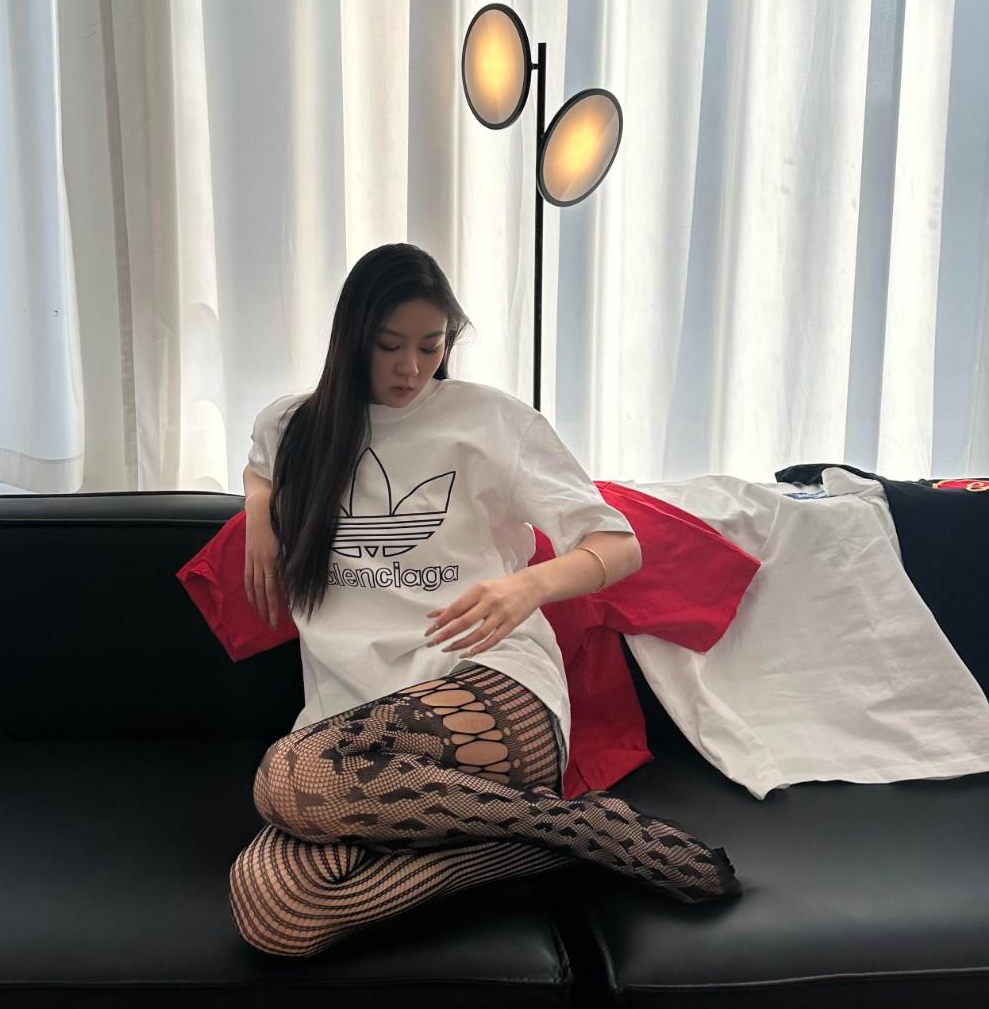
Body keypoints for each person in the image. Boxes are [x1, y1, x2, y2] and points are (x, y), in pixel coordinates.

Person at [229, 243, 741, 956]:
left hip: (492, 689)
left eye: (431, 346)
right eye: (389, 346)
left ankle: (579, 828)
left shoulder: (493, 421)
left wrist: (526, 584)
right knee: (275, 911)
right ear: (351, 338)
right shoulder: (293, 427)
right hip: (352, 736)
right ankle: (557, 838)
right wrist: (260, 514)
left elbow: (617, 544)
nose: (411, 368)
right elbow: (260, 465)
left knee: (286, 775)